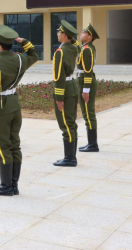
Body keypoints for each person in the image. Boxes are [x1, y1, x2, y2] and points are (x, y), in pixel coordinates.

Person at [0, 25, 39, 196]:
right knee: (15, 145)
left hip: (1, 108)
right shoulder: (20, 59)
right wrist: (24, 42)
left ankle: (6, 186)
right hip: (15, 105)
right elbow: (34, 55)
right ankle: (14, 185)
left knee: (2, 147)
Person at [53, 20, 81, 167]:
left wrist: (59, 98)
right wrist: (71, 35)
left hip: (65, 90)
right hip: (72, 87)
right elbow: (76, 43)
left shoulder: (60, 52)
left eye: (59, 32)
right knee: (71, 123)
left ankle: (70, 158)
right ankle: (70, 156)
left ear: (64, 35)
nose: (57, 34)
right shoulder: (73, 48)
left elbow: (59, 76)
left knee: (66, 124)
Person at [77, 24, 100, 153]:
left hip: (86, 82)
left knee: (88, 113)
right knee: (87, 113)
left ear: (89, 36)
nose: (81, 34)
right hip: (83, 80)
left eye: (83, 32)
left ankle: (92, 144)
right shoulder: (86, 47)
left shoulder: (87, 49)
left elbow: (88, 71)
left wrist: (86, 90)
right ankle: (91, 143)